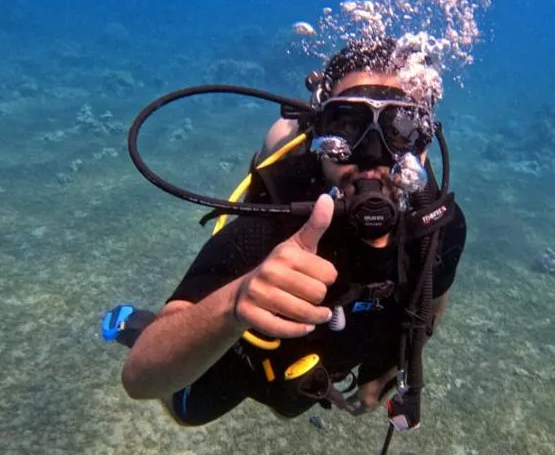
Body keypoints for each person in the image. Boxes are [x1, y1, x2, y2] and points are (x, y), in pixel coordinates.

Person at [118, 37, 466, 426]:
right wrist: (234, 304)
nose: (372, 158)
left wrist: (386, 370)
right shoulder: (271, 226)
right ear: (318, 131)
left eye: (400, 129)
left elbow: (432, 301)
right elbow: (139, 379)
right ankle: (135, 326)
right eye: (347, 126)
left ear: (423, 145)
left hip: (319, 370)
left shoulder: (437, 229)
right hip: (258, 360)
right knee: (187, 411)